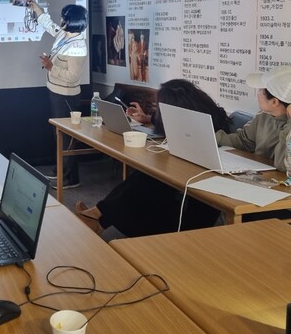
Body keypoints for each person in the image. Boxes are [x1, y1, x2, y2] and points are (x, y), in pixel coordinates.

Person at [76, 79, 231, 236]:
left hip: (198, 181)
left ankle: (98, 215)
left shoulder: (210, 121)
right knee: (144, 176)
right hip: (182, 169)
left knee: (145, 181)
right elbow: (164, 123)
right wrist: (146, 118)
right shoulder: (188, 112)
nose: (160, 112)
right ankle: (98, 215)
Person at [216, 66, 291, 171]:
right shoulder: (265, 115)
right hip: (267, 180)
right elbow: (243, 141)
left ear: (274, 102)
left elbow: (290, 166)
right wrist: (212, 138)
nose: (258, 93)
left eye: (261, 89)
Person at [29, 0, 88, 189]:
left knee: (66, 137)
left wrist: (51, 67)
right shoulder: (65, 34)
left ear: (70, 21)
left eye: (63, 17)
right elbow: (49, 24)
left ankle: (71, 178)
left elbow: (72, 76)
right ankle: (61, 171)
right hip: (56, 91)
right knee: (59, 135)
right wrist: (36, 7)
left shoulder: (78, 46)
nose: (60, 19)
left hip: (66, 96)